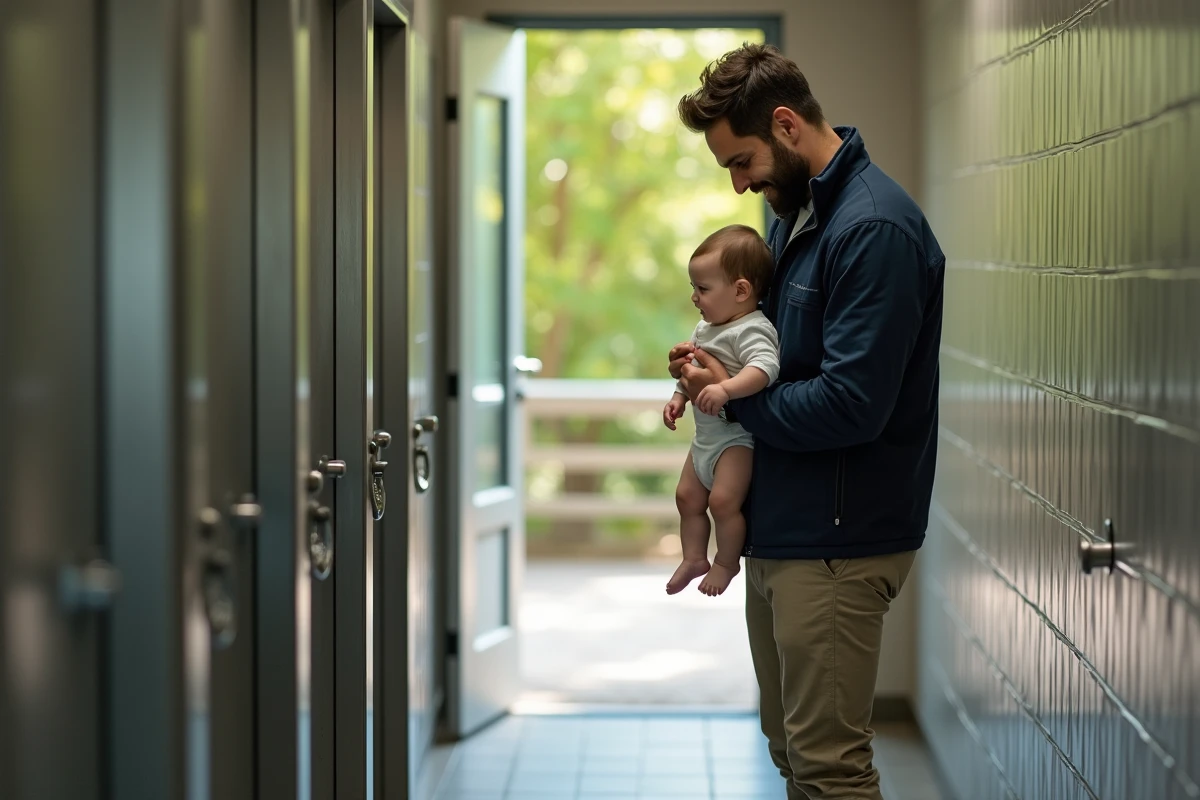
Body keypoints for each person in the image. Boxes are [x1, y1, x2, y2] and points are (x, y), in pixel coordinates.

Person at [670, 43, 945, 800]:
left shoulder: (872, 230)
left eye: (742, 160)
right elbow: (784, 357)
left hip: (838, 542)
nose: (738, 184)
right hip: (790, 531)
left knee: (829, 769)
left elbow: (852, 405)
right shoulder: (799, 218)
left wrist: (731, 395)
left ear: (787, 124)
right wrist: (714, 373)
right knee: (792, 753)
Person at [662, 224, 780, 598]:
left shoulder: (752, 329)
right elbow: (692, 373)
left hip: (735, 440)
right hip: (705, 439)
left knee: (722, 501)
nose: (695, 298)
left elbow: (764, 369)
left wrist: (726, 388)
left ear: (741, 290)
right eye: (693, 288)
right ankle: (694, 557)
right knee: (686, 497)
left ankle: (727, 562)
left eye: (703, 288)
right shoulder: (705, 328)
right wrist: (679, 396)